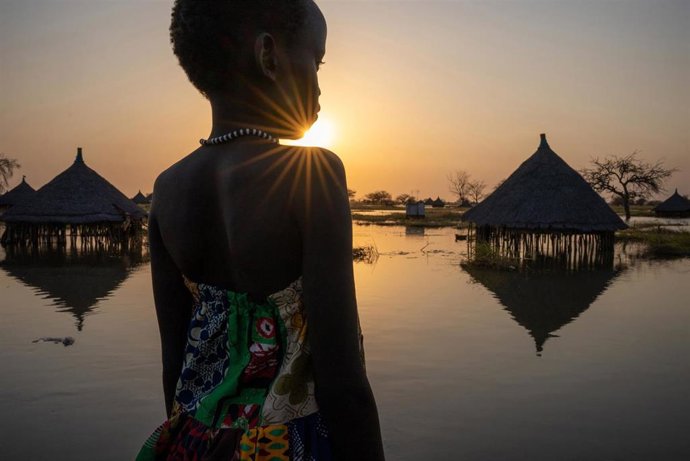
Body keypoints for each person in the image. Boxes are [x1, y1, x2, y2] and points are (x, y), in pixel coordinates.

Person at [136, 1, 385, 460]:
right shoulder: (313, 174)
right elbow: (344, 384)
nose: (319, 88)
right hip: (289, 447)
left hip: (193, 443)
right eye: (317, 61)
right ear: (269, 56)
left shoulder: (166, 191)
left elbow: (176, 371)